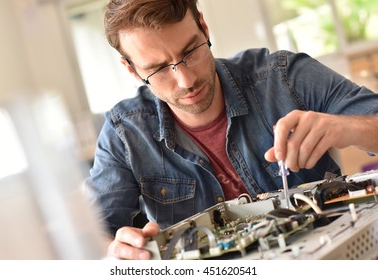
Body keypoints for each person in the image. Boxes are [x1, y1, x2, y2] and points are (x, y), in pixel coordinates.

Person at [85, 0, 378, 260]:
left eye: (190, 51)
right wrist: (113, 249)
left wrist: (347, 126)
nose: (185, 80)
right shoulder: (123, 133)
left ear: (204, 27)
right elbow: (93, 235)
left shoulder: (283, 78)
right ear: (131, 69)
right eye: (159, 69)